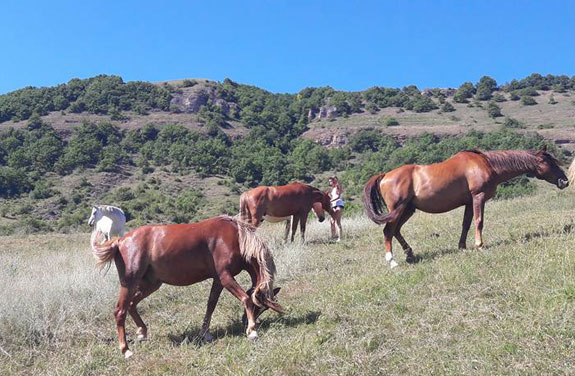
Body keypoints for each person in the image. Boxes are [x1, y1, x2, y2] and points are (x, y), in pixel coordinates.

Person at [328, 176, 343, 242]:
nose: (330, 183)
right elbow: (333, 197)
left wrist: (330, 201)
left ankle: (340, 238)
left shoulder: (337, 187)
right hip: (334, 205)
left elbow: (338, 196)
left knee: (337, 221)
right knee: (332, 221)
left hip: (338, 204)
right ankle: (333, 237)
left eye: (331, 181)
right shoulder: (333, 189)